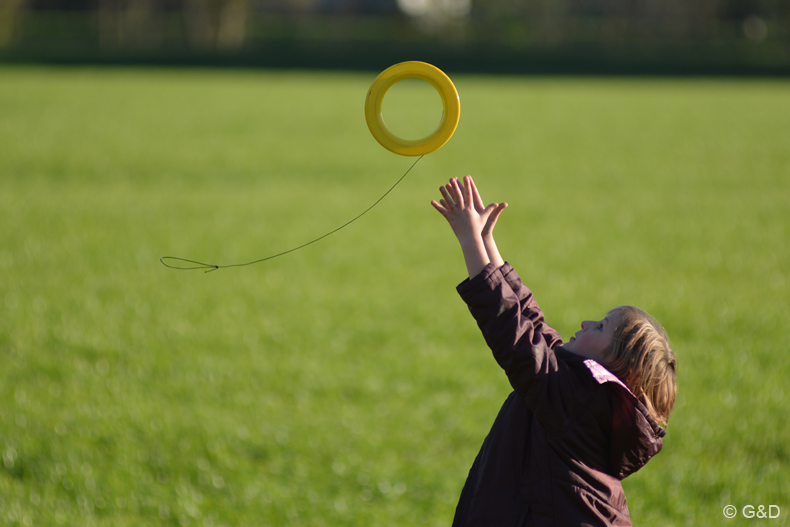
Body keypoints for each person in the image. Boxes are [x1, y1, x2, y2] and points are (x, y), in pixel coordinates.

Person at [430, 176, 677, 527]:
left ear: (612, 366)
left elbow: (512, 333)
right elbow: (531, 323)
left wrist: (469, 240)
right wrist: (487, 244)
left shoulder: (576, 403)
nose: (587, 323)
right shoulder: (583, 400)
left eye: (602, 327)